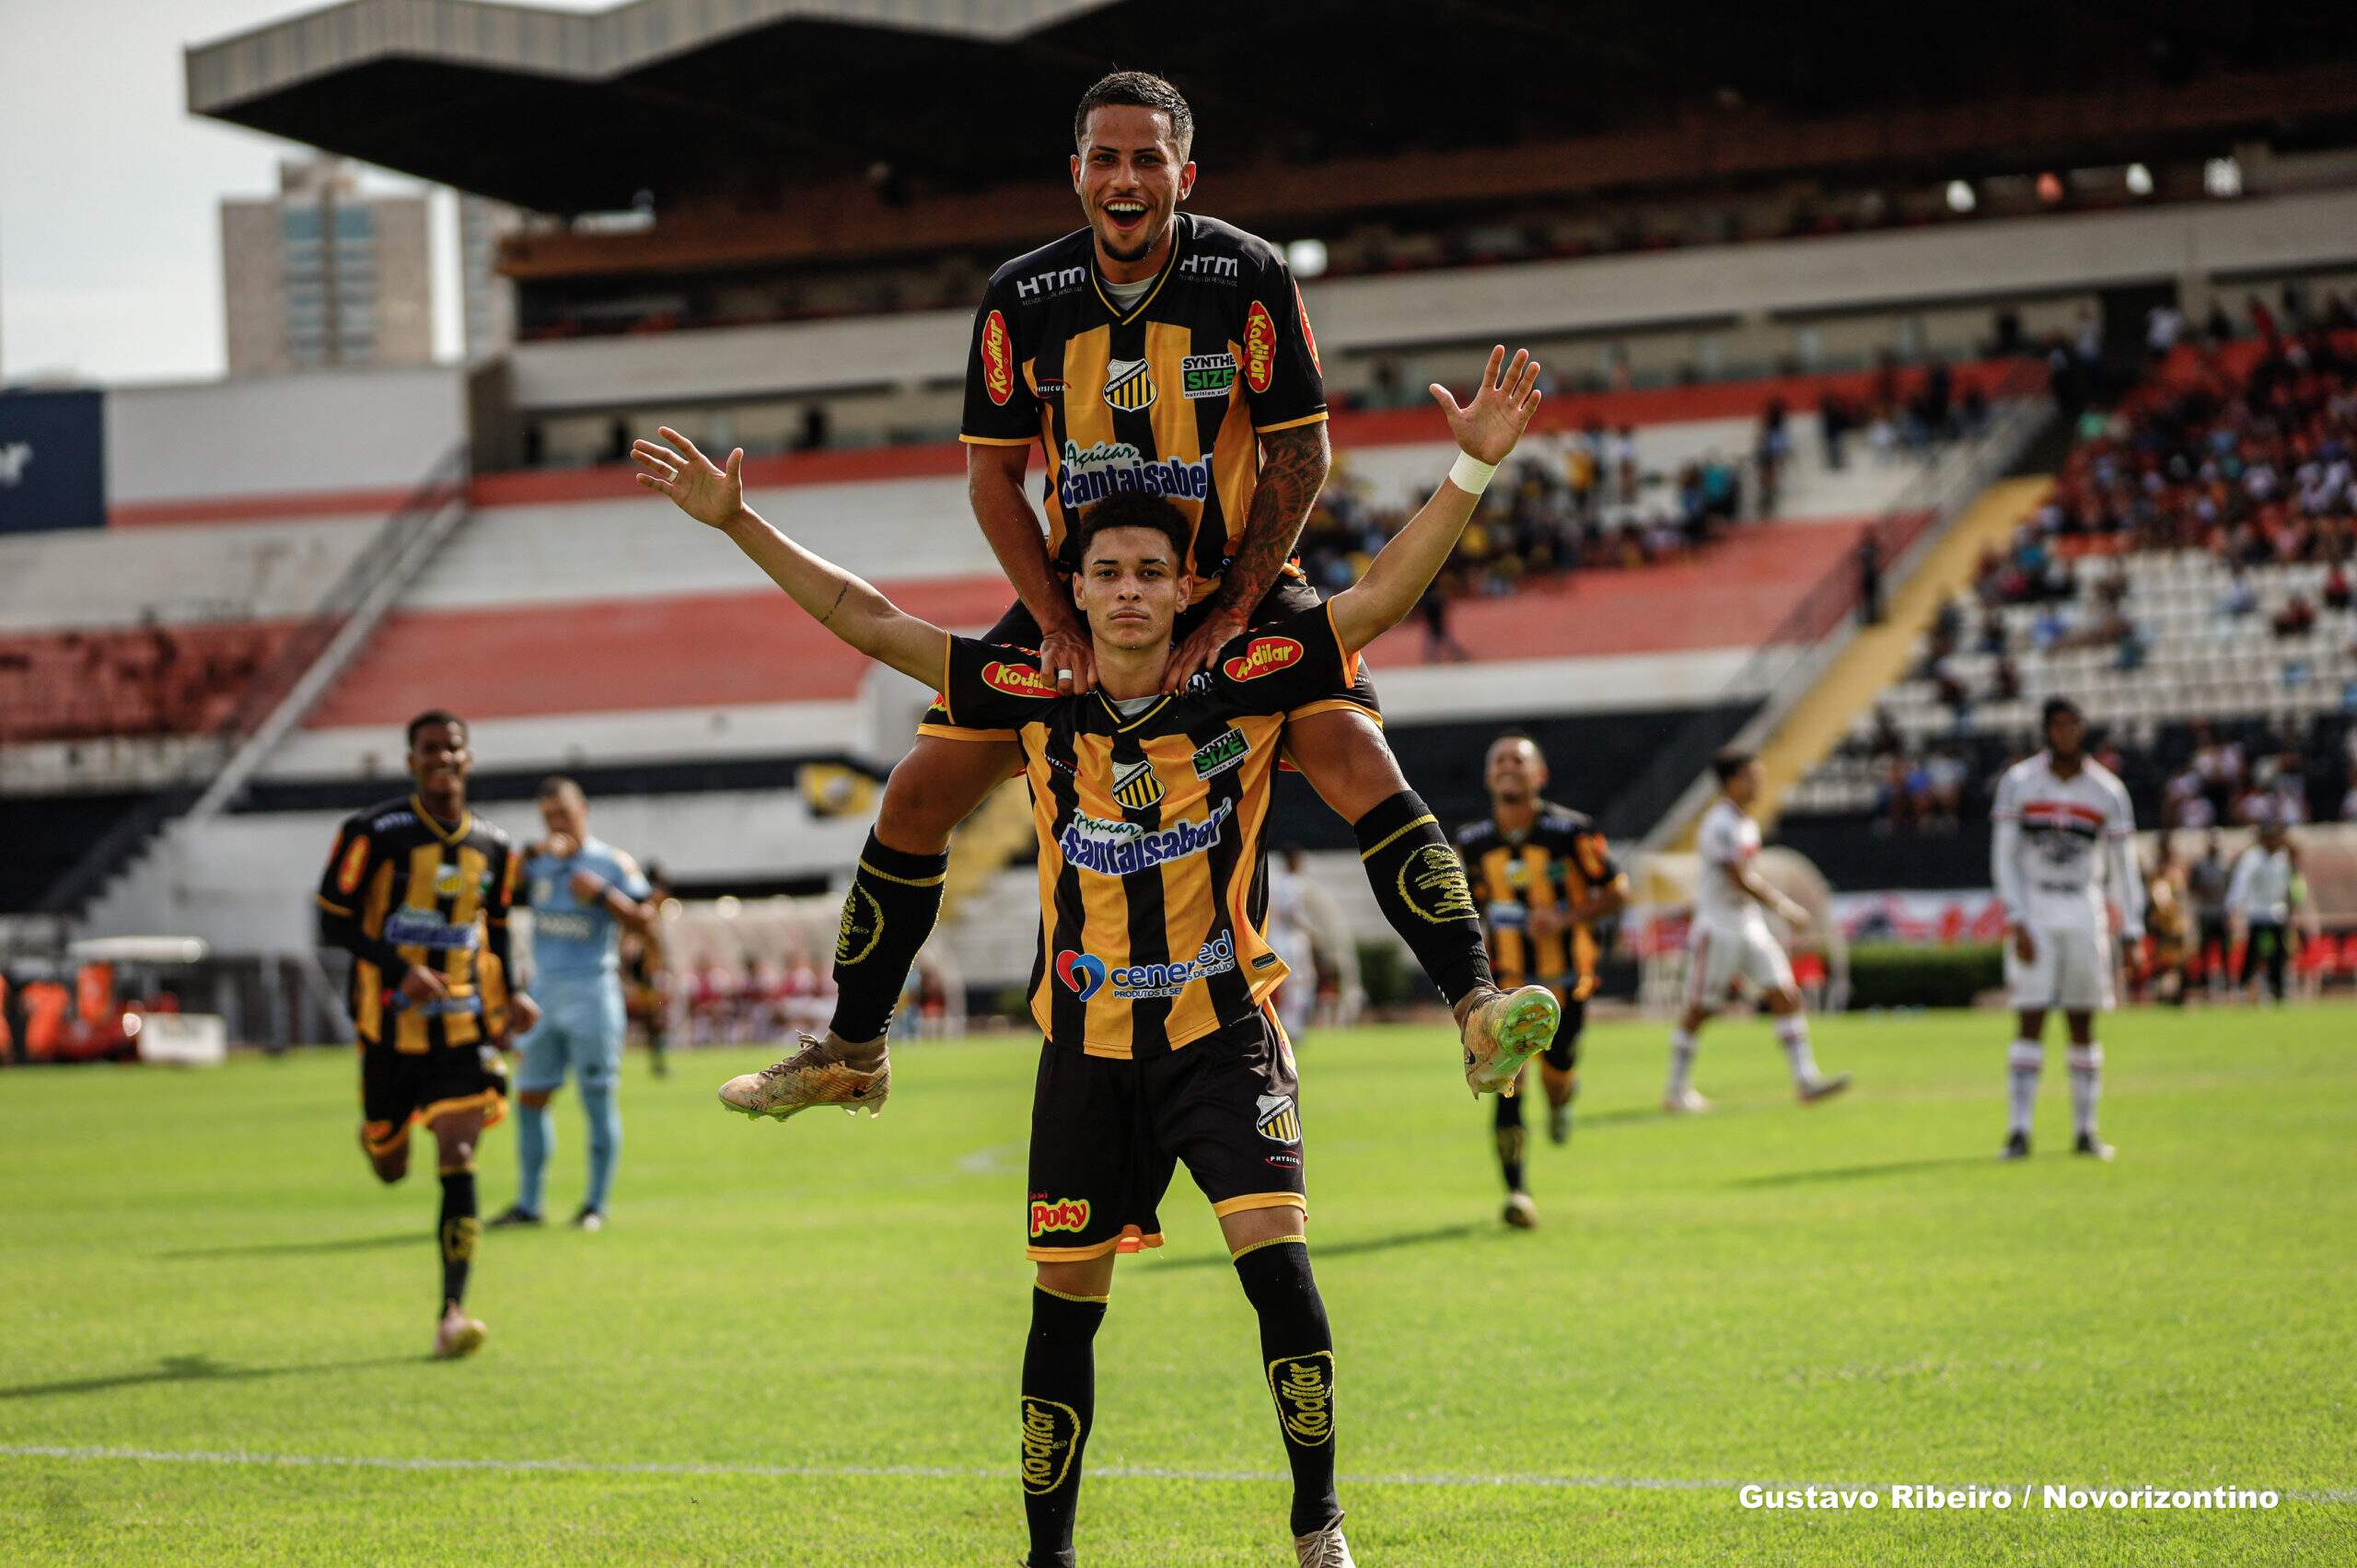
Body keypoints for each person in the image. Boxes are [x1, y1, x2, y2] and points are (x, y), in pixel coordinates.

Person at [633, 346, 1559, 1568]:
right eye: (1107, 572)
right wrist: (741, 520)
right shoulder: (1028, 681)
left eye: (1151, 573)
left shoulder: (1249, 673)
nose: (1129, 591)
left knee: (1277, 1269)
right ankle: (1048, 1553)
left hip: (1225, 1031)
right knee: (1062, 1314)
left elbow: (1378, 600)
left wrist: (1470, 467)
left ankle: (1319, 1523)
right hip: (1085, 1051)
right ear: (1070, 584)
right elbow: (867, 617)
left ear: (1187, 587)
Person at [786, 71, 1503, 1116]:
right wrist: (1053, 614)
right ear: (1075, 172)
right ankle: (854, 1048)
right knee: (916, 792)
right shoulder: (1022, 298)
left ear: (1183, 172)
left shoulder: (1246, 274)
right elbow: (993, 478)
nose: (1126, 179)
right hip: (1089, 595)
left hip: (1236, 589)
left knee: (1359, 761)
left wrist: (1229, 608)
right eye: (1106, 158)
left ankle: (1476, 1003)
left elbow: (1301, 458)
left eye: (1148, 158)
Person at [313, 711, 539, 1358]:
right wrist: (398, 970)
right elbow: (332, 920)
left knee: (459, 1158)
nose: (443, 758)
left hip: (463, 1030)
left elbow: (495, 929)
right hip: (387, 1034)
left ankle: (453, 1311)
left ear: (469, 758)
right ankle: (379, 1131)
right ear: (411, 760)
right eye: (430, 749)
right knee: (390, 1167)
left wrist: (515, 990)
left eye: (453, 747)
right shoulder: (372, 833)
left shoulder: (496, 847)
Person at [1456, 732, 1627, 1228]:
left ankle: (1562, 1101)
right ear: (1490, 776)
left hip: (1567, 980)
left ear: (1539, 776)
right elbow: (1465, 907)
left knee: (1556, 1077)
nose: (1508, 766)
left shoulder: (1571, 832)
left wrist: (1567, 918)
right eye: (1500, 760)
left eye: (1519, 760)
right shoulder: (1470, 843)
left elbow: (1617, 891)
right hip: (1506, 982)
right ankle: (1518, 1193)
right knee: (1508, 1079)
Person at [490, 778, 656, 1233]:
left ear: (583, 809)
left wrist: (603, 894)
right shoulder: (539, 862)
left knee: (597, 1097)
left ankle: (594, 1206)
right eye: (548, 816)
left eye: (562, 813)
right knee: (530, 1097)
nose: (556, 823)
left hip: (592, 991)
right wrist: (528, 857)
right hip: (542, 994)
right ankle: (529, 1205)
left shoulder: (610, 861)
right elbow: (494, 884)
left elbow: (647, 921)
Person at [1991, 698, 2143, 1161]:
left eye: (2073, 724)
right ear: (2046, 731)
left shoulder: (2106, 791)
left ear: (2083, 729)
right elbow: (2005, 856)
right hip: (2036, 905)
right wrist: (2015, 916)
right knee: (2030, 1015)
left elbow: (2124, 865)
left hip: (2083, 905)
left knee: (2082, 1017)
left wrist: (2132, 927)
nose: (2066, 733)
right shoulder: (2019, 783)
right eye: (2058, 725)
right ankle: (2019, 1130)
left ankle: (2086, 1130)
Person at [1665, 751, 1850, 1113]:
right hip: (1718, 925)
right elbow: (1738, 876)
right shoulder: (1718, 823)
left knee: (1785, 992)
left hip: (1748, 922)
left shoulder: (1744, 822)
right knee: (1701, 1008)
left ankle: (1806, 1079)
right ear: (1731, 781)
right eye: (1751, 777)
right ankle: (1676, 1090)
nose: (1758, 784)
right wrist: (1783, 905)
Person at [2227, 815, 2299, 1005]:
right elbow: (2240, 884)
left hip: (2277, 912)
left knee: (2279, 953)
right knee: (2252, 953)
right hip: (2257, 912)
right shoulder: (2252, 857)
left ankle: (2278, 989)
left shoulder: (2283, 857)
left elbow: (2288, 885)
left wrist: (2291, 907)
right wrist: (2234, 908)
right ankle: (2244, 987)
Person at [621, 862, 675, 1077]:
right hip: (646, 970)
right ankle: (658, 1063)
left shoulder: (642, 900)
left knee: (652, 1020)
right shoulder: (650, 903)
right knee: (653, 1019)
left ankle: (657, 1062)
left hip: (643, 969)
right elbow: (649, 939)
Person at [1264, 844, 1318, 1044]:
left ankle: (1283, 1026)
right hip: (1291, 940)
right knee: (1298, 982)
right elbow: (1290, 913)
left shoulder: (1276, 881)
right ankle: (1291, 1027)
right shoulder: (1292, 883)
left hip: (1277, 938)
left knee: (1286, 985)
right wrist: (1310, 931)